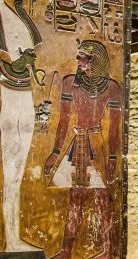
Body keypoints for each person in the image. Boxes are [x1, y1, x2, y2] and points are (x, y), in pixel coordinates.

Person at [44, 40, 122, 259]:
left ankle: (109, 250)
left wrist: (113, 156)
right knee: (75, 197)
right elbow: (64, 120)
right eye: (78, 56)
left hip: (96, 144)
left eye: (83, 56)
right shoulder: (70, 83)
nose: (78, 60)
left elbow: (114, 126)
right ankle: (67, 250)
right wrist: (56, 152)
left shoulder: (112, 87)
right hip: (78, 144)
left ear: (95, 60)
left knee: (102, 197)